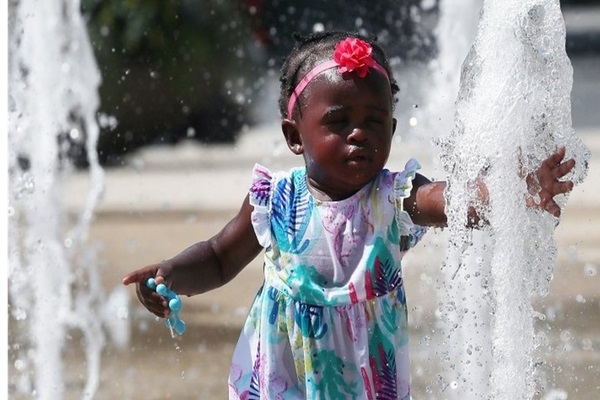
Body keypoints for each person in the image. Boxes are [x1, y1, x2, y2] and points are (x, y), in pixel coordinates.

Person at [122, 30, 575, 399]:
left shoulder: (394, 198)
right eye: (339, 122)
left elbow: (452, 201)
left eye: (375, 121)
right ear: (294, 135)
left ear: (392, 129)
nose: (359, 133)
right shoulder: (274, 198)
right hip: (283, 375)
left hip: (365, 379)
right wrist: (173, 275)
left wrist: (514, 191)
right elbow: (219, 257)